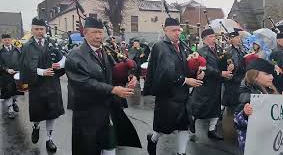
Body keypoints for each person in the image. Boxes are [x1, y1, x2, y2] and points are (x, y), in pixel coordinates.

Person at [65, 17, 141, 155]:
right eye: (94, 32)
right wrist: (112, 89)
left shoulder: (105, 52)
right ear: (85, 33)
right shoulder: (75, 56)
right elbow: (84, 83)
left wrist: (130, 77)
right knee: (89, 149)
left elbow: (115, 72)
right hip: (86, 113)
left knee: (109, 146)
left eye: (100, 32)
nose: (98, 36)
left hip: (106, 111)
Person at [144, 18, 204, 155]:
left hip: (182, 94)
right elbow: (165, 71)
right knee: (164, 128)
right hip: (167, 94)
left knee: (184, 126)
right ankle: (152, 139)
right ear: (165, 31)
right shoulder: (160, 46)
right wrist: (185, 80)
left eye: (179, 30)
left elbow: (184, 68)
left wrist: (196, 73)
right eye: (173, 30)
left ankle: (181, 153)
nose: (177, 33)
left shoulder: (181, 46)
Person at [19, 18, 65, 152]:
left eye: (42, 29)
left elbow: (64, 58)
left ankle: (49, 139)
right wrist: (42, 72)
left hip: (52, 84)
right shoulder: (27, 47)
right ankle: (36, 127)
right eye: (36, 29)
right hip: (37, 85)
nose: (39, 32)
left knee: (52, 113)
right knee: (38, 113)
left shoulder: (52, 43)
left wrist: (60, 64)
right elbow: (25, 66)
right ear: (32, 30)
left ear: (45, 30)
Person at [234, 58, 283, 154]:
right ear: (255, 76)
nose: (272, 77)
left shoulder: (270, 90)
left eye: (271, 74)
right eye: (267, 74)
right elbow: (237, 122)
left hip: (270, 142)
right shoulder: (247, 95)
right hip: (255, 146)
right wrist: (245, 114)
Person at [190, 29, 233, 140]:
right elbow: (205, 68)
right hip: (205, 85)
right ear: (204, 39)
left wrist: (230, 64)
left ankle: (211, 130)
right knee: (201, 107)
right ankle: (192, 120)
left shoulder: (219, 49)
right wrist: (220, 73)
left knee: (215, 108)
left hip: (216, 83)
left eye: (214, 36)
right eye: (211, 36)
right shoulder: (201, 51)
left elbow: (226, 59)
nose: (214, 38)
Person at [0, 34, 23, 119]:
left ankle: (14, 102)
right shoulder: (0, 52)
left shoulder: (17, 50)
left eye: (8, 39)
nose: (7, 41)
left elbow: (21, 60)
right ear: (2, 41)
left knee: (16, 92)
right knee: (7, 93)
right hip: (5, 76)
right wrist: (6, 70)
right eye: (5, 40)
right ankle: (10, 110)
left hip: (16, 75)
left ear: (11, 40)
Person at [222, 31, 246, 109]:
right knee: (231, 107)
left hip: (240, 80)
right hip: (232, 82)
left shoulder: (241, 50)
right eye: (237, 38)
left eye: (239, 37)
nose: (239, 39)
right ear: (231, 39)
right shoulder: (228, 51)